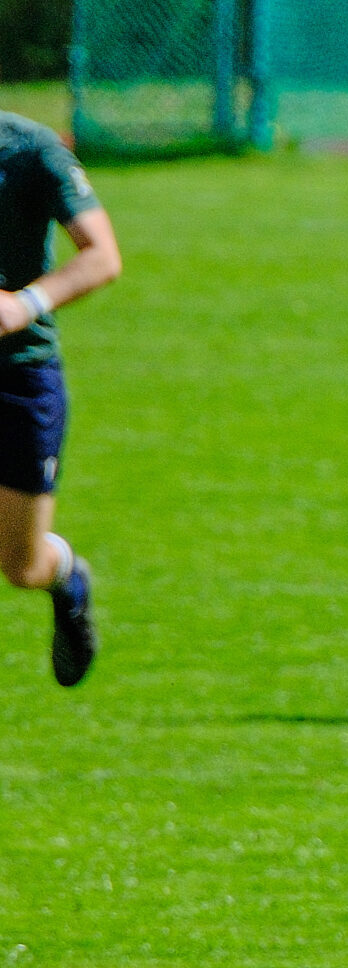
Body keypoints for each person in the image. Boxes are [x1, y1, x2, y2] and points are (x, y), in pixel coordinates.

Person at [1, 107, 119, 687]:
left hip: (19, 378)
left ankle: (67, 577)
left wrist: (23, 305)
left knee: (21, 565)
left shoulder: (31, 150)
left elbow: (102, 256)